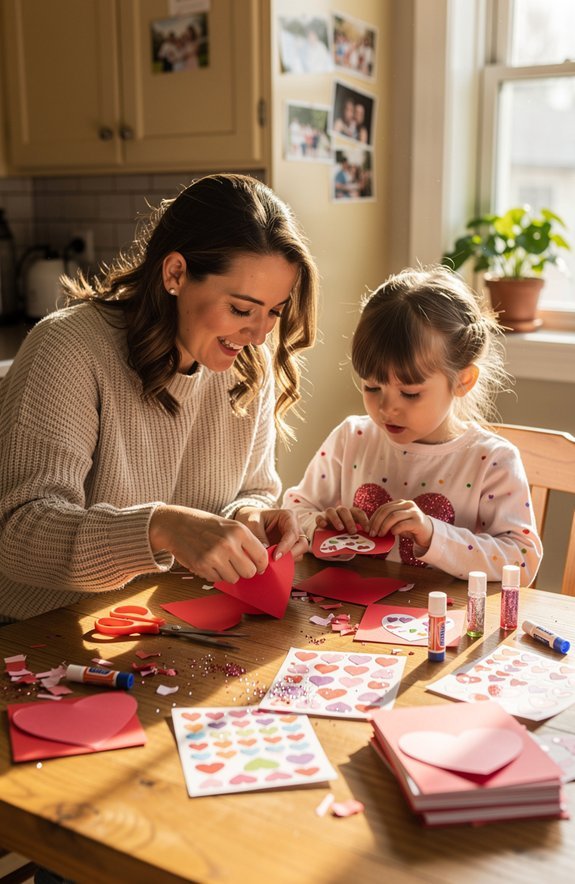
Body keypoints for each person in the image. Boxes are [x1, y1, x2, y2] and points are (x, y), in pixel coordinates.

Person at [0, 173, 319, 622]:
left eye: (274, 312)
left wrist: (250, 517)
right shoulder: (69, 348)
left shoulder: (248, 364)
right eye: (242, 310)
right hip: (39, 630)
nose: (259, 333)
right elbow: (21, 536)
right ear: (175, 273)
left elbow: (252, 488)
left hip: (159, 621)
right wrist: (161, 527)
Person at [283, 265, 542, 585]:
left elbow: (522, 559)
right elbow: (293, 512)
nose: (387, 407)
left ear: (462, 381)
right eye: (372, 387)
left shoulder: (492, 462)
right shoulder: (352, 438)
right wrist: (319, 524)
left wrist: (434, 534)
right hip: (346, 618)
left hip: (442, 624)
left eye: (410, 393)